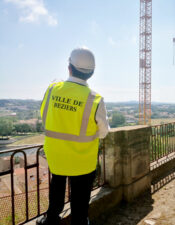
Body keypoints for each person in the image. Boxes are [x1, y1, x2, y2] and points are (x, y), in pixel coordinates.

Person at [37, 48, 110, 225]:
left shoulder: (52, 89)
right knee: (80, 203)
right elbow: (103, 132)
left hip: (57, 156)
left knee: (57, 189)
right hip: (82, 160)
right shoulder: (95, 99)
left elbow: (44, 115)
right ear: (92, 73)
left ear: (69, 67)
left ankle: (51, 218)